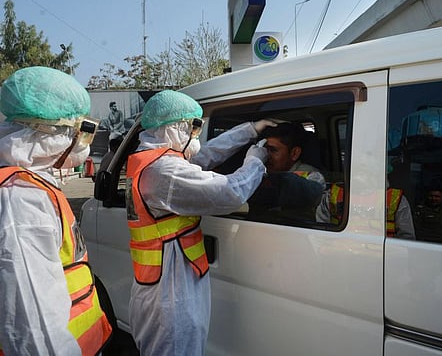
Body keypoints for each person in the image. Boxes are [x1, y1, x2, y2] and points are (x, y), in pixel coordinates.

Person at [125, 90, 274, 355]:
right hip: (170, 290)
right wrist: (256, 161)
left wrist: (250, 130)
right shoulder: (164, 171)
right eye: (193, 127)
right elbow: (229, 193)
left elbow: (204, 157)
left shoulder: (154, 159)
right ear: (174, 128)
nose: (196, 135)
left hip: (167, 279)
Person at [0, 67, 113, 355]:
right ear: (48, 132)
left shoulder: (32, 185)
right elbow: (35, 332)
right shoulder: (20, 200)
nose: (83, 145)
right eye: (81, 133)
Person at [248, 122, 326, 221]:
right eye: (264, 150)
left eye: (273, 150)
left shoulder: (311, 176)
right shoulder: (260, 171)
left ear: (294, 153)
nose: (266, 156)